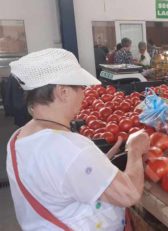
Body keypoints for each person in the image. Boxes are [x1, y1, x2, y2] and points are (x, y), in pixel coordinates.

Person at [7, 48, 149, 230]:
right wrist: (135, 149)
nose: (84, 93)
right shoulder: (70, 148)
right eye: (81, 87)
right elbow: (129, 195)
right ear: (63, 92)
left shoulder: (19, 137)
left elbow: (58, 179)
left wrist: (100, 163)